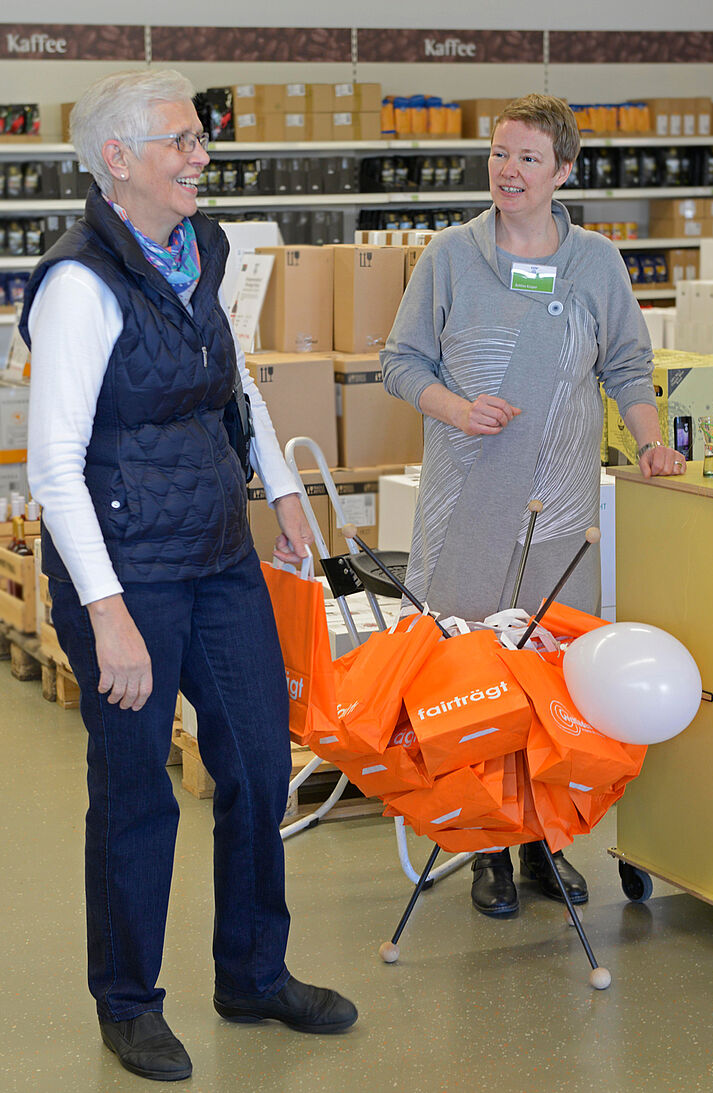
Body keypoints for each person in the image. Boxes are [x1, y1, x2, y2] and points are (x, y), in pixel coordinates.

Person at [20, 70, 357, 1083]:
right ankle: (127, 1003)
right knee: (136, 793)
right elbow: (52, 468)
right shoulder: (80, 282)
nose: (200, 154)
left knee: (257, 765)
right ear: (119, 160)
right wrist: (108, 616)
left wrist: (283, 486)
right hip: (123, 570)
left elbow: (230, 373)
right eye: (180, 140)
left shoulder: (198, 249)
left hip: (216, 552)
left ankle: (253, 972)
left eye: (199, 138)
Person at [381, 93, 686, 919]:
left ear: (562, 171)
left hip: (558, 510)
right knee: (475, 681)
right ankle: (483, 851)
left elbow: (626, 364)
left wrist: (650, 438)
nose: (506, 171)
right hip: (468, 502)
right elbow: (399, 362)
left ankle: (542, 844)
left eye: (524, 158)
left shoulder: (596, 263)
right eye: (497, 154)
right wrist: (452, 406)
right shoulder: (448, 256)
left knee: (552, 680)